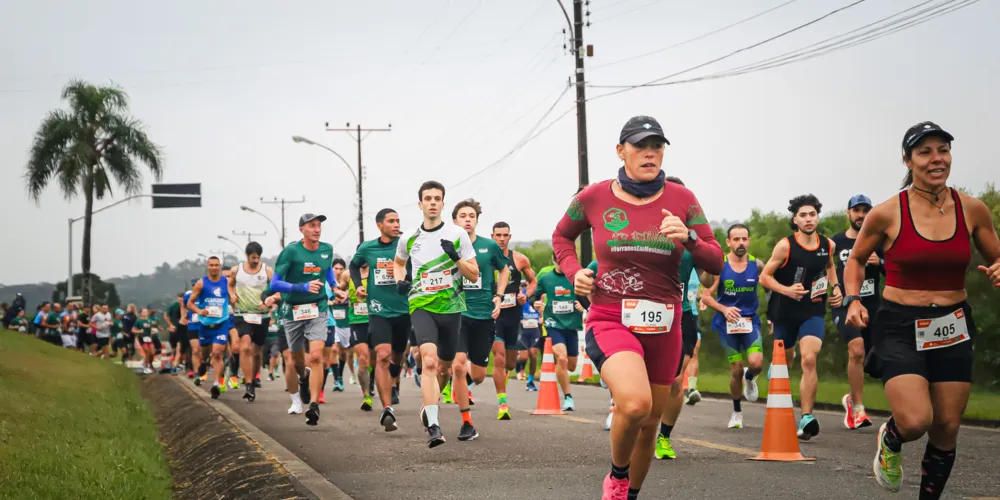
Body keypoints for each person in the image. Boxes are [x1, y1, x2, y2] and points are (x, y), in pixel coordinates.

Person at [552, 115, 722, 500]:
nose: (650, 153)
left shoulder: (683, 199)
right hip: (611, 315)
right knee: (634, 403)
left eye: (657, 146)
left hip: (666, 322)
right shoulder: (593, 197)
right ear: (620, 151)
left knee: (650, 423)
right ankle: (616, 476)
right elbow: (561, 236)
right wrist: (574, 271)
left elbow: (715, 260)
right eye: (641, 146)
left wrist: (690, 237)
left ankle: (629, 494)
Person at [844, 122, 1000, 497]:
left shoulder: (973, 209)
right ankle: (892, 439)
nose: (936, 159)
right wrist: (852, 299)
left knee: (946, 426)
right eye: (925, 152)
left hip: (953, 323)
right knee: (916, 421)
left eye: (943, 150)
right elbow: (856, 259)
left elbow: (997, 256)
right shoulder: (886, 213)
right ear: (907, 159)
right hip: (900, 324)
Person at [394, 181, 478, 448]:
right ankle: (434, 426)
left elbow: (474, 274)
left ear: (443, 204)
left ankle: (429, 406)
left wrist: (455, 258)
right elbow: (398, 262)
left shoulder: (458, 235)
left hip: (451, 307)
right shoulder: (408, 237)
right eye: (427, 198)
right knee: (428, 362)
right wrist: (400, 281)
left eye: (437, 198)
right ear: (420, 204)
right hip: (421, 304)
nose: (432, 202)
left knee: (445, 367)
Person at [760, 193, 841, 440]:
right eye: (803, 215)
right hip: (784, 311)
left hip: (812, 310)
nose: (808, 219)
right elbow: (765, 277)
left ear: (818, 216)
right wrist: (787, 290)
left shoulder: (828, 245)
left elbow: (829, 266)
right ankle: (779, 367)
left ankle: (806, 417)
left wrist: (835, 288)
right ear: (795, 219)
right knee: (786, 362)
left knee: (809, 358)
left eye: (812, 214)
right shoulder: (785, 245)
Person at [652, 176, 715, 460]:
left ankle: (663, 437)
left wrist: (709, 258)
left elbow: (707, 275)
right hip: (645, 316)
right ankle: (635, 423)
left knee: (676, 381)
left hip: (682, 316)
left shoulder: (692, 239)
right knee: (645, 380)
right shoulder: (641, 236)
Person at [270, 213, 346, 425]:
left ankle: (313, 406)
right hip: (293, 309)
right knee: (296, 361)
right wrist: (301, 287)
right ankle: (303, 377)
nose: (317, 229)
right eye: (312, 226)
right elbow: (274, 284)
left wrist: (334, 287)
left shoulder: (326, 249)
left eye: (319, 225)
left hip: (318, 307)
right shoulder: (291, 252)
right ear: (301, 229)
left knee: (316, 356)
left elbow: (326, 269)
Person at [351, 208, 413, 432]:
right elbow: (354, 265)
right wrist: (359, 285)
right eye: (391, 221)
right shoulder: (368, 248)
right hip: (378, 311)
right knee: (383, 356)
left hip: (404, 310)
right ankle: (388, 409)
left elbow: (417, 268)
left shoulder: (407, 244)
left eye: (398, 220)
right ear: (380, 225)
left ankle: (394, 380)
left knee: (398, 356)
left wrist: (409, 281)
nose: (397, 224)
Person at [452, 199, 509, 437]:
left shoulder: (488, 246)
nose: (467, 219)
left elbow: (504, 269)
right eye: (463, 215)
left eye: (472, 216)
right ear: (455, 220)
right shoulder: (448, 247)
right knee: (457, 364)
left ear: (476, 220)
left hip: (484, 314)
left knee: (478, 375)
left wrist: (499, 296)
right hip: (458, 312)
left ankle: (464, 379)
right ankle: (467, 422)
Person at [700, 224, 764, 429]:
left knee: (756, 364)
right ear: (728, 242)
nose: (741, 243)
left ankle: (750, 377)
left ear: (749, 241)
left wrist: (774, 315)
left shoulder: (758, 265)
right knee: (735, 369)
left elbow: (770, 285)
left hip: (750, 321)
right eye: (736, 239)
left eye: (744, 239)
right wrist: (724, 309)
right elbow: (706, 296)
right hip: (726, 324)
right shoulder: (720, 267)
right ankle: (737, 412)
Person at [831, 194, 882, 430]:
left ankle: (852, 397)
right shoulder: (835, 243)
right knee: (857, 349)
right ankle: (858, 409)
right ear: (848, 213)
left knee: (877, 359)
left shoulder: (878, 242)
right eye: (857, 210)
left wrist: (879, 263)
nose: (861, 215)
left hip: (873, 307)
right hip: (845, 305)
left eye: (865, 211)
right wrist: (830, 292)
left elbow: (896, 275)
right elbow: (821, 272)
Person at [491, 222, 538, 408]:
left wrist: (524, 295)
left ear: (509, 237)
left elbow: (533, 281)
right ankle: (503, 403)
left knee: (510, 363)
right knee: (499, 356)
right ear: (492, 236)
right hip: (494, 314)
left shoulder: (519, 259)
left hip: (513, 314)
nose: (501, 239)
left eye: (505, 235)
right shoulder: (485, 259)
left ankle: (505, 380)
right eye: (498, 235)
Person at [531, 253, 584, 412]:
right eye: (559, 262)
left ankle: (559, 372)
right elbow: (534, 296)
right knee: (561, 358)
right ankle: (568, 397)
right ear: (554, 261)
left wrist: (583, 305)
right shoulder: (546, 278)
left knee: (572, 366)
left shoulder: (577, 277)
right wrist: (537, 304)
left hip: (572, 325)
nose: (563, 265)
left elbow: (589, 297)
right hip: (553, 324)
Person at [228, 241, 279, 403]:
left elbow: (277, 288)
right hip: (242, 314)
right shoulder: (237, 270)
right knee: (245, 347)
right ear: (246, 255)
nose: (255, 260)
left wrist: (270, 298)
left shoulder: (267, 271)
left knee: (257, 351)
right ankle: (248, 384)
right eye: (252, 258)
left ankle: (255, 377)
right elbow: (230, 285)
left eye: (257, 257)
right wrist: (232, 295)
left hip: (261, 315)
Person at [187, 256, 233, 399]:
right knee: (204, 353)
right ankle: (204, 363)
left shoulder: (226, 282)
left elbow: (233, 296)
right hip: (205, 325)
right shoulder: (201, 284)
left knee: (218, 353)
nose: (214, 267)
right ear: (207, 266)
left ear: (220, 267)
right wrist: (199, 311)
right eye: (211, 265)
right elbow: (190, 303)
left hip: (221, 323)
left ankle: (216, 385)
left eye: (216, 265)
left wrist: (234, 299)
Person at [516, 281, 542, 390]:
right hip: (522, 330)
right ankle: (518, 366)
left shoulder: (538, 295)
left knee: (533, 354)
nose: (525, 287)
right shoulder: (520, 296)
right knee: (523, 356)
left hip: (535, 329)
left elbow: (543, 307)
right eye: (523, 285)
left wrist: (542, 316)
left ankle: (530, 381)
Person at [165, 293, 186, 371]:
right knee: (174, 347)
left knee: (181, 346)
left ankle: (179, 362)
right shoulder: (173, 305)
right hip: (174, 328)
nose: (180, 300)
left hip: (183, 328)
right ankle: (175, 362)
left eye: (182, 298)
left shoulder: (187, 305)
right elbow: (166, 315)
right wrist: (170, 325)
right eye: (179, 298)